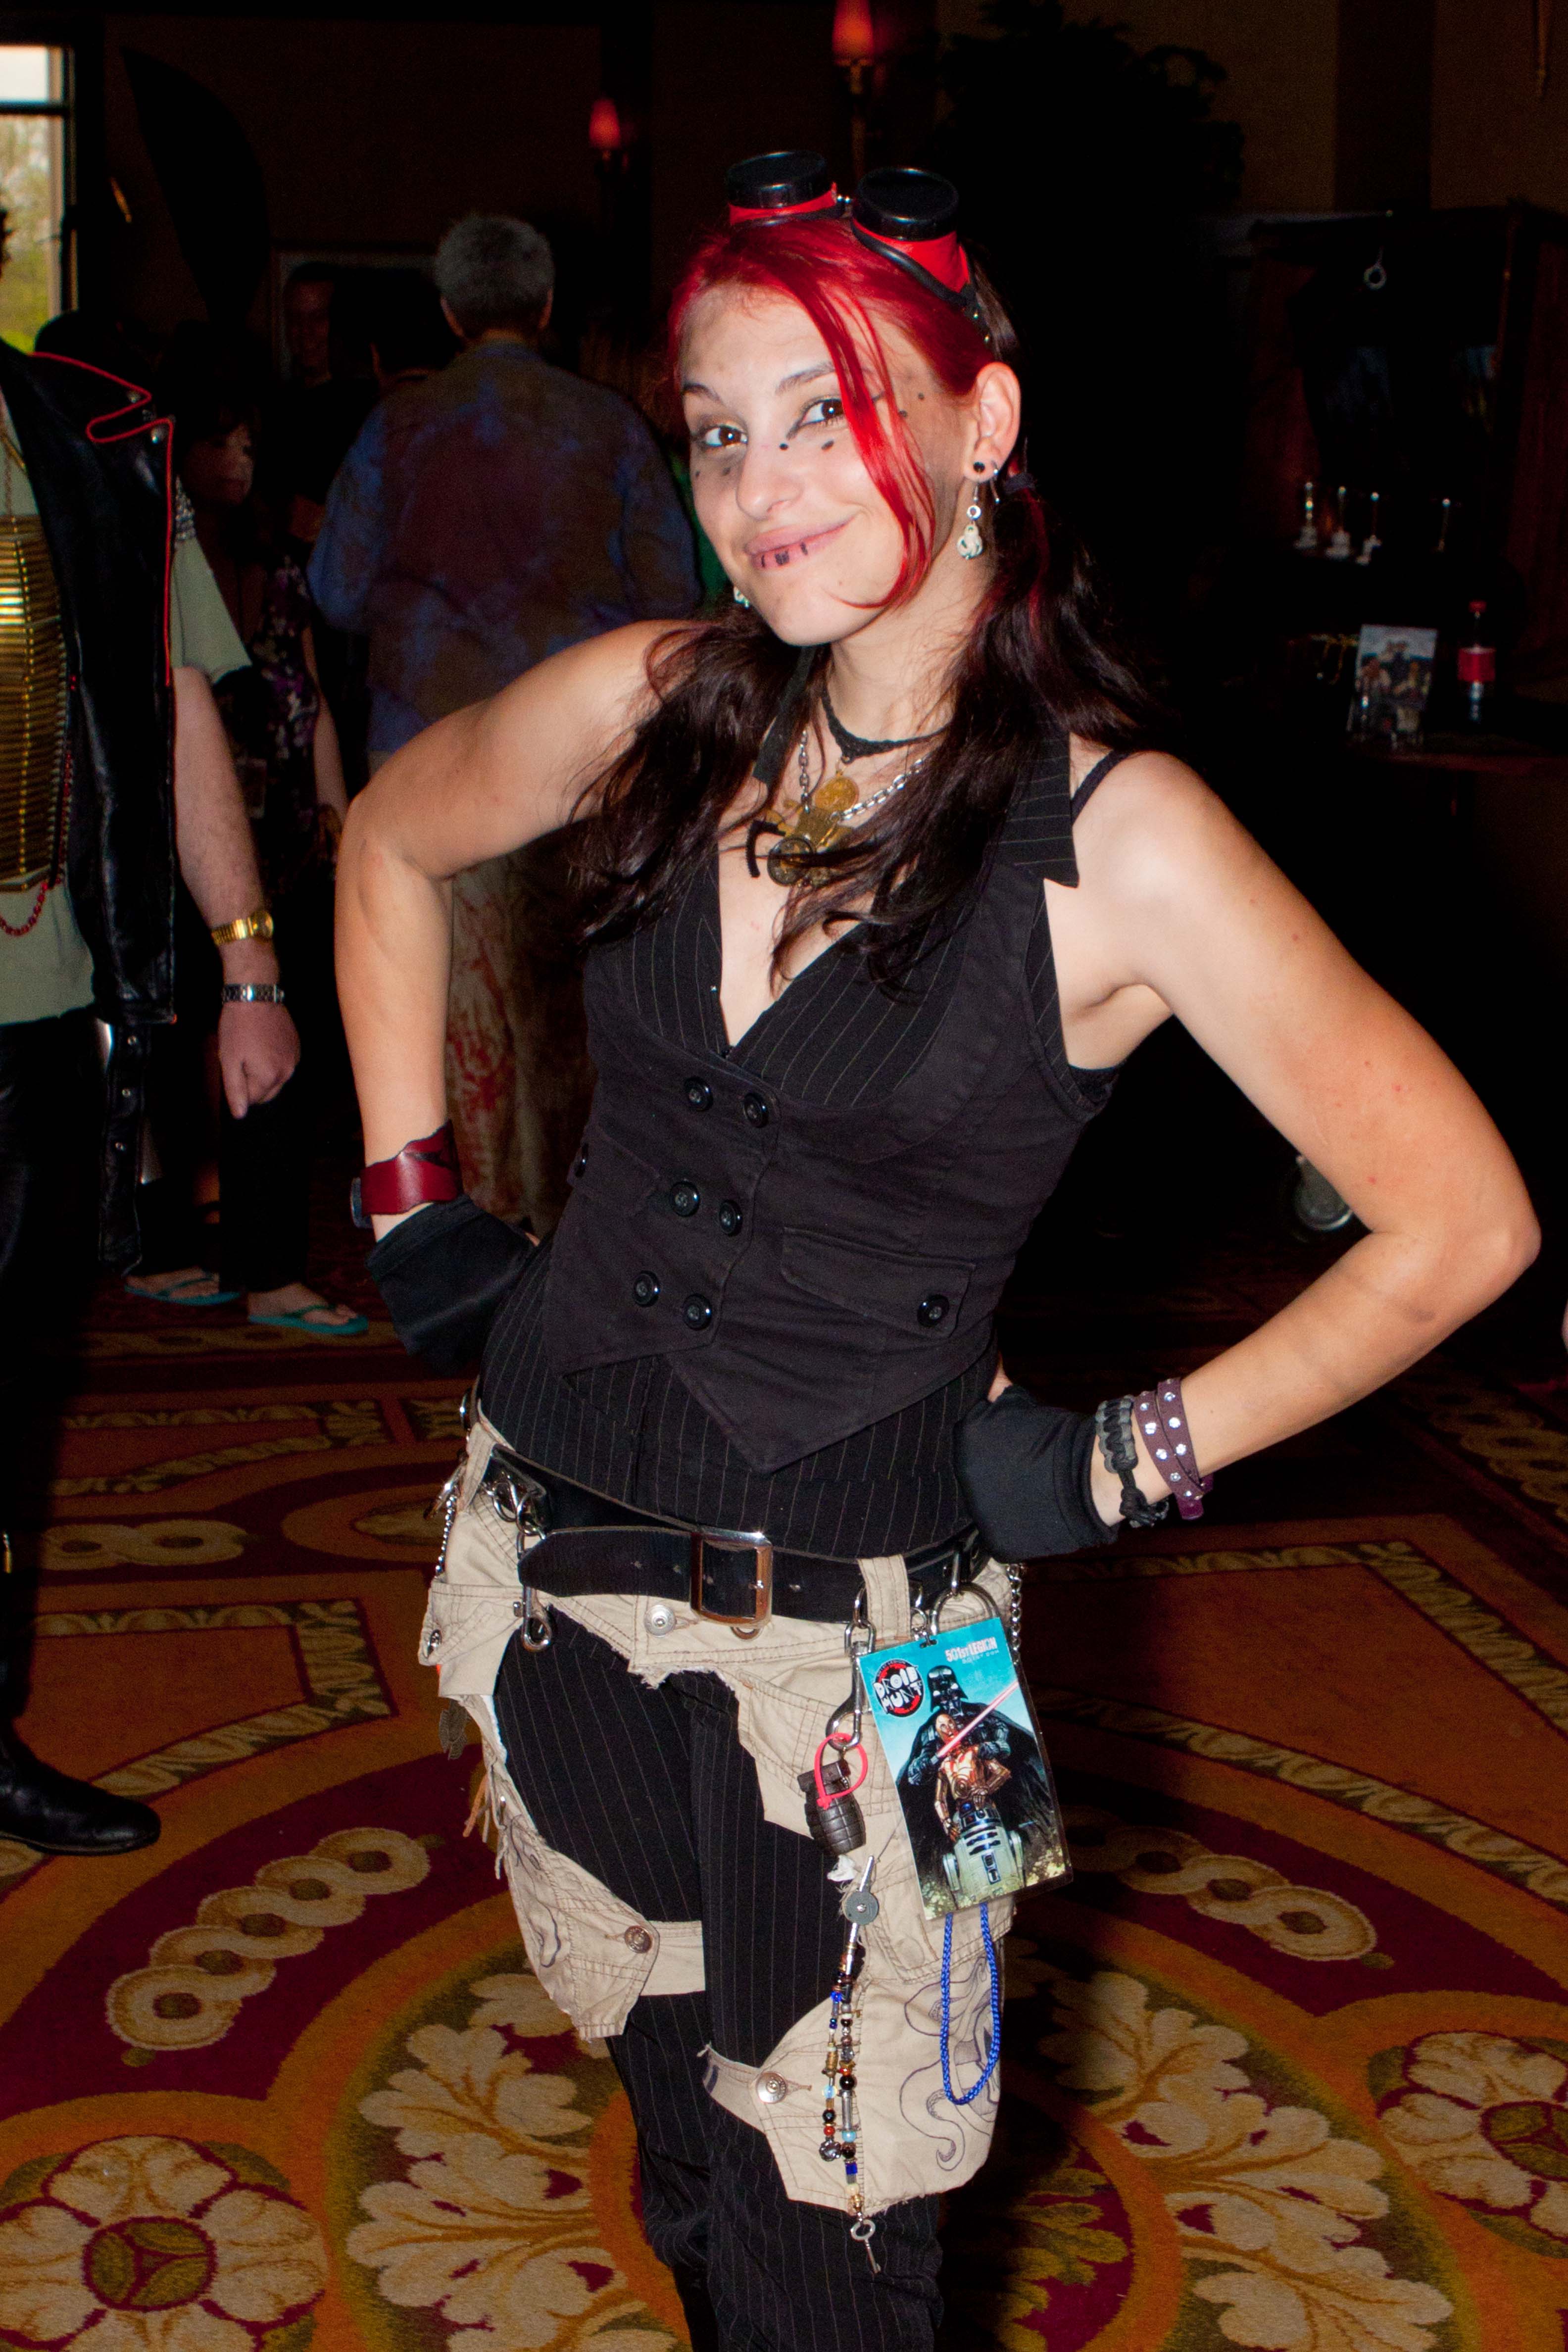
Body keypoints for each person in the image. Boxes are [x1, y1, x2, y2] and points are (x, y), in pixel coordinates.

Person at [333, 153, 1538, 2352]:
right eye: (720, 432)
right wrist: (414, 1200)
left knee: (848, 2247)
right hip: (545, 1575)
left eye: (830, 411)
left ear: (984, 421)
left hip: (881, 1653)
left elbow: (1463, 1219)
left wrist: (1119, 1457)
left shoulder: (1124, 837)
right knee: (688, 2170)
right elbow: (389, 839)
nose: (761, 489)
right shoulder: (655, 701)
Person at [1, 289, 300, 1857]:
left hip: (38, 1013)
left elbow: (175, 701)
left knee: (7, 1405)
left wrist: (246, 963)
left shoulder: (94, 439)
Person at [311, 214, 699, 1231]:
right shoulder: (608, 426)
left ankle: (475, 1248)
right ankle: (575, 1240)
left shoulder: (397, 427)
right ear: (547, 306)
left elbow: (336, 591)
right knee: (573, 1012)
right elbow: (674, 598)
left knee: (458, 1023)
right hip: (584, 757)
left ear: (448, 313)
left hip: (427, 757)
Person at [123, 384, 364, 1336]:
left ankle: (271, 1267)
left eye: (249, 443)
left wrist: (340, 813)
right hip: (178, 842)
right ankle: (159, 1243)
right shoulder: (145, 550)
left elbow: (313, 697)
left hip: (280, 841)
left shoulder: (280, 561)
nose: (238, 460)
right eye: (220, 440)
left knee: (275, 1040)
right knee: (163, 1040)